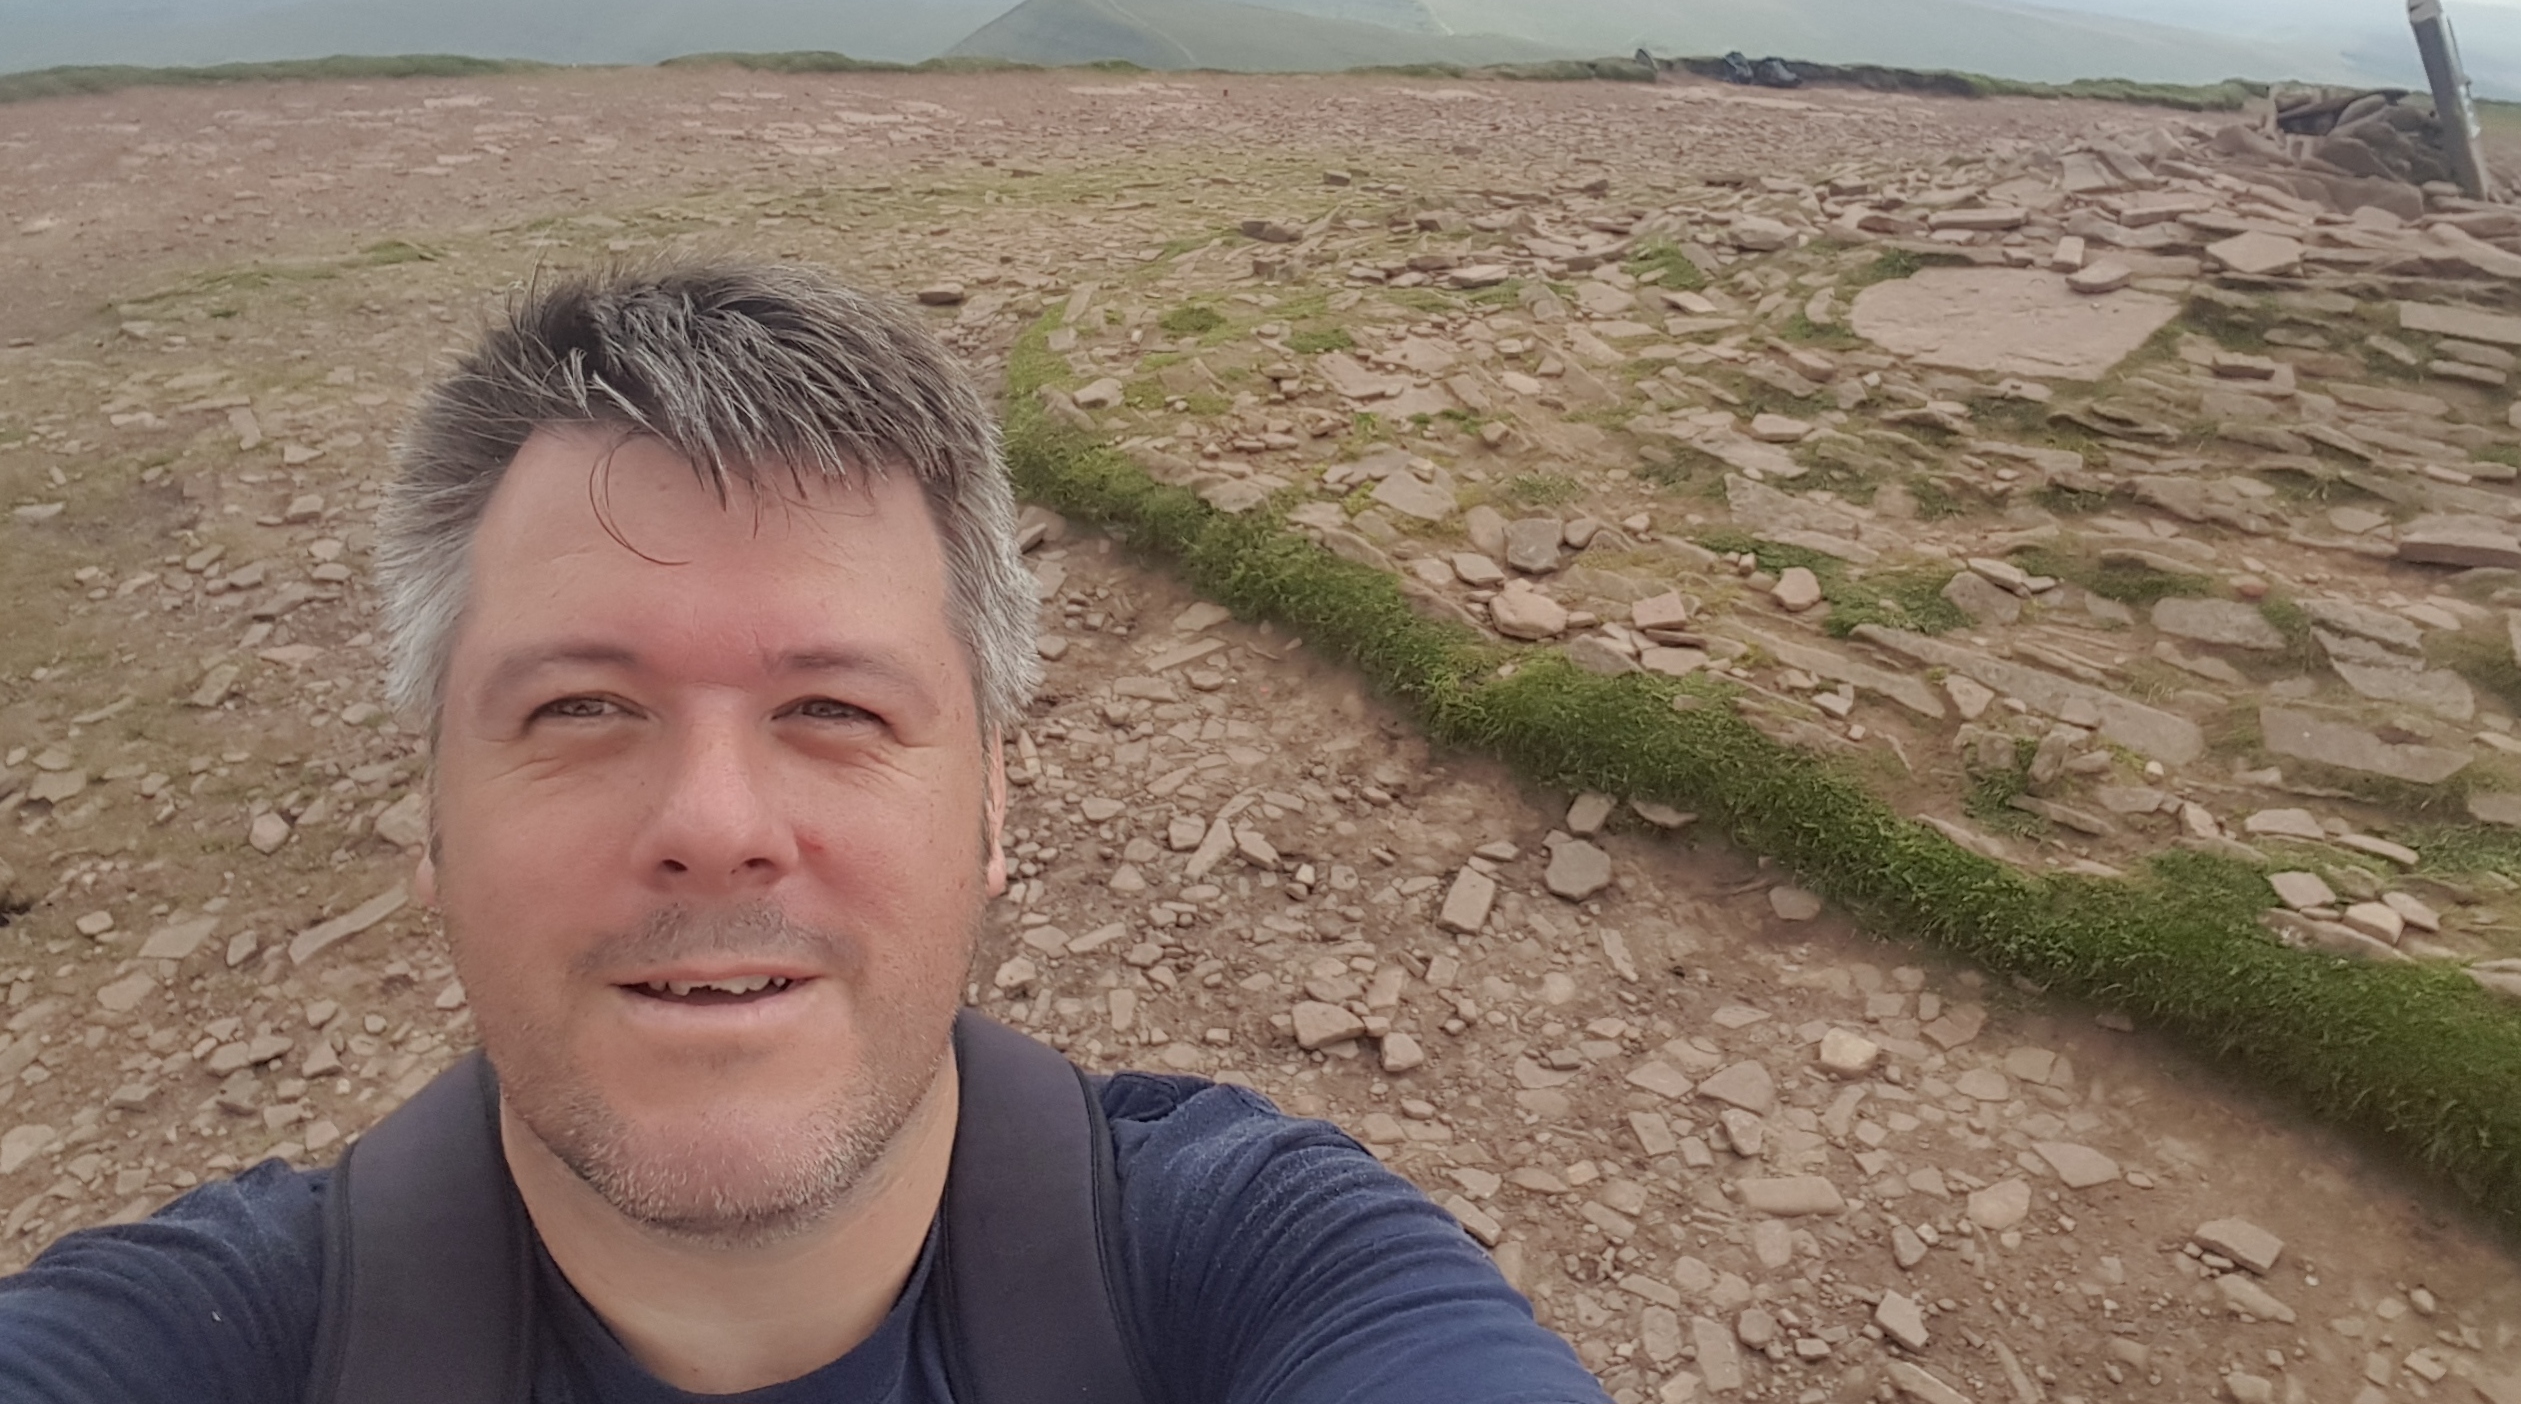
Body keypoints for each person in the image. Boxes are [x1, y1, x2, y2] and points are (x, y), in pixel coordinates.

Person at [0, 261, 1611, 1403]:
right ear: (430, 815)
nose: (715, 826)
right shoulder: (190, 1340)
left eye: (836, 711)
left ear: (995, 802)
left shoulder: (1259, 1269)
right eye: (578, 710)